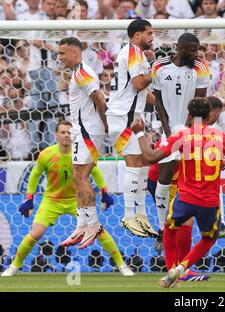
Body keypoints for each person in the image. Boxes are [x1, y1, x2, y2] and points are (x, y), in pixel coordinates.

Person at [131, 97, 225, 288]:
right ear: (209, 116)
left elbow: (151, 158)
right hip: (209, 201)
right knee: (209, 237)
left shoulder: (182, 137)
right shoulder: (221, 137)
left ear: (189, 116)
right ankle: (183, 268)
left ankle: (172, 270)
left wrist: (139, 134)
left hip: (185, 197)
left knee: (169, 226)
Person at [1, 120, 133, 277]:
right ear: (56, 135)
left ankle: (122, 265)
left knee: (97, 230)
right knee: (35, 233)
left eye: (69, 132)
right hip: (51, 200)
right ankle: (14, 266)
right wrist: (29, 200)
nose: (66, 135)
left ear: (73, 135)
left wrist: (104, 193)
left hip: (76, 200)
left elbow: (95, 172)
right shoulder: (46, 154)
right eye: (62, 132)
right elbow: (35, 175)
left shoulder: (81, 153)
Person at [151, 32, 209, 249]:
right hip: (169, 130)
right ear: (179, 47)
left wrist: (185, 132)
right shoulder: (159, 66)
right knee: (164, 177)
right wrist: (169, 133)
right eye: (192, 50)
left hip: (190, 130)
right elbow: (158, 103)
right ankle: (160, 228)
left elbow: (199, 106)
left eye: (198, 49)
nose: (196, 53)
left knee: (202, 176)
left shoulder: (200, 68)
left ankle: (215, 222)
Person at [106, 19, 158, 238]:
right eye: (149, 33)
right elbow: (139, 84)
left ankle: (141, 214)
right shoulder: (134, 52)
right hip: (123, 115)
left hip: (131, 114)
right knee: (134, 163)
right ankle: (128, 216)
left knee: (143, 162)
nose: (152, 37)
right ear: (137, 35)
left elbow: (143, 93)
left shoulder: (134, 54)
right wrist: (157, 68)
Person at [57, 37, 108, 248]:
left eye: (62, 53)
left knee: (81, 176)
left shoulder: (83, 72)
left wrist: (105, 124)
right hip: (82, 130)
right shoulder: (78, 72)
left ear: (74, 54)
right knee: (77, 177)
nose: (59, 57)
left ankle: (94, 225)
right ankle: (81, 225)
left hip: (88, 131)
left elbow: (99, 97)